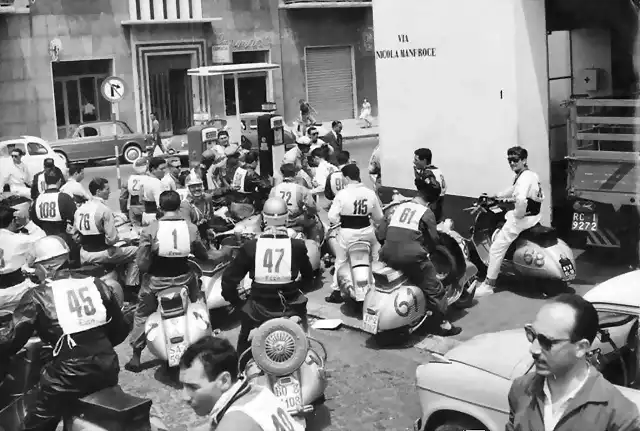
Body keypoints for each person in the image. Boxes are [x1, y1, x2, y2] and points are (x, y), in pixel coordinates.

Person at [0, 235, 130, 431]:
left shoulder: (39, 294)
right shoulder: (96, 283)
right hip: (107, 365)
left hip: (67, 376)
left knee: (36, 423)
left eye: (37, 269)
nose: (37, 274)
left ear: (46, 267)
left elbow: (11, 340)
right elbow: (120, 330)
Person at [506, 294, 640, 431]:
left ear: (581, 348)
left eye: (546, 342)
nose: (533, 349)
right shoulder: (521, 389)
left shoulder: (619, 416)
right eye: (532, 335)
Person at [125, 190, 209, 372]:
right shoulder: (191, 228)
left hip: (156, 281)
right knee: (199, 303)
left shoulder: (151, 229)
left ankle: (136, 357)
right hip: (185, 278)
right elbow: (202, 254)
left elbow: (141, 261)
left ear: (160, 208)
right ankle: (207, 343)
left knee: (142, 313)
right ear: (179, 206)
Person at [221, 197, 313, 355]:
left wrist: (238, 303)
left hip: (258, 310)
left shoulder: (251, 246)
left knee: (244, 352)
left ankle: (242, 370)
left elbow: (229, 280)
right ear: (286, 217)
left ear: (264, 217)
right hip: (290, 307)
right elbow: (308, 277)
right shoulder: (297, 245)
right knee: (305, 349)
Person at [377, 178, 461, 336]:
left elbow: (380, 233)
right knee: (436, 289)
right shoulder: (426, 212)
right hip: (411, 256)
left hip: (387, 253)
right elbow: (434, 241)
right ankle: (443, 325)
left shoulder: (398, 207)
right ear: (433, 199)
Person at [179, 336, 304, 431]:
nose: (184, 397)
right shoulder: (258, 391)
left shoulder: (232, 425)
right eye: (182, 386)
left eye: (192, 387)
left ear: (224, 381)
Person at [475, 147, 544, 298]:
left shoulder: (524, 177)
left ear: (524, 160)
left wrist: (517, 215)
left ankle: (488, 284)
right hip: (535, 216)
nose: (512, 163)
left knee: (496, 248)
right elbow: (514, 189)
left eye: (515, 160)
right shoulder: (529, 174)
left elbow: (520, 199)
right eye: (509, 160)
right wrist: (497, 196)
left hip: (524, 218)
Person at [325, 164, 383, 303]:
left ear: (346, 177)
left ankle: (336, 291)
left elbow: (332, 217)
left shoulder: (342, 194)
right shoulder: (369, 193)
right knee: (376, 256)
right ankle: (380, 285)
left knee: (341, 260)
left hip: (347, 233)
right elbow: (379, 217)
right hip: (367, 231)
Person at [74, 177, 139, 288]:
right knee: (137, 251)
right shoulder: (104, 210)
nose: (109, 191)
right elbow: (111, 239)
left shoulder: (80, 209)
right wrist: (124, 239)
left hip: (84, 253)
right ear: (98, 192)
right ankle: (131, 286)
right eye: (107, 189)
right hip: (102, 253)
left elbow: (76, 235)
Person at [0, 205, 45, 311]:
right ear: (13, 221)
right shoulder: (19, 240)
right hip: (16, 292)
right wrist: (27, 223)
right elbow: (43, 239)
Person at [30, 169, 77, 249]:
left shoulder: (37, 200)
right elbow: (75, 217)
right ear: (59, 181)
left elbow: (34, 219)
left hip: (44, 238)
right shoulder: (64, 197)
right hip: (63, 239)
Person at [270, 163, 317, 237]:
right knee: (314, 223)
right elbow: (311, 206)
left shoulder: (274, 190)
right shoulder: (301, 189)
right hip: (295, 223)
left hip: (278, 222)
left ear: (282, 174)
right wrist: (310, 214)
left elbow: (269, 206)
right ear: (295, 173)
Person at [228, 151, 270, 220]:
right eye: (257, 162)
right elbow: (264, 187)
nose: (257, 164)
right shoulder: (251, 173)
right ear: (253, 162)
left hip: (234, 202)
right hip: (244, 206)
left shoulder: (239, 169)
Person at [414, 148, 447, 223]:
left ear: (424, 161)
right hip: (439, 206)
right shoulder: (437, 170)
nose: (414, 162)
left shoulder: (428, 173)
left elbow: (435, 189)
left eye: (416, 160)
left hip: (431, 207)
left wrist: (418, 180)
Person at [119, 157, 148, 226]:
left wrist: (124, 211)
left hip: (133, 208)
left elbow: (122, 198)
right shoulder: (150, 179)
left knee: (136, 231)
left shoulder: (129, 179)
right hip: (147, 209)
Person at [140, 156, 168, 226]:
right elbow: (160, 205)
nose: (164, 171)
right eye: (161, 169)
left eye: (165, 168)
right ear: (153, 169)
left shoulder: (144, 180)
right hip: (155, 217)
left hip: (145, 216)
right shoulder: (157, 183)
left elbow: (140, 200)